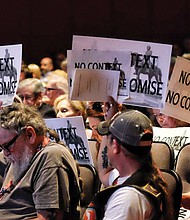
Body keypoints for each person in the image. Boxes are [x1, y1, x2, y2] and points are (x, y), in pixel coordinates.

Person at [83, 98, 174, 219]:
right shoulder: (145, 176)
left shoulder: (127, 199)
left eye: (108, 138)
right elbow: (105, 173)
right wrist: (110, 120)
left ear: (115, 146)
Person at [0, 102, 81, 219]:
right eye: (1, 147)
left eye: (7, 146)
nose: (6, 153)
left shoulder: (51, 156)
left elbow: (47, 218)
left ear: (30, 134)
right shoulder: (20, 153)